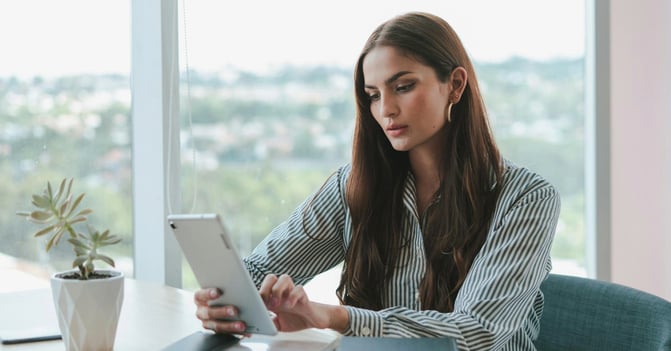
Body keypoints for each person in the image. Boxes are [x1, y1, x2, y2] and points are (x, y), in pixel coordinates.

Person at [194, 11, 560, 351]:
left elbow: (475, 332)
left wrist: (335, 317)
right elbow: (259, 271)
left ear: (455, 85)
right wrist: (224, 302)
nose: (385, 110)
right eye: (372, 95)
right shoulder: (353, 186)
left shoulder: (526, 198)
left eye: (403, 86)